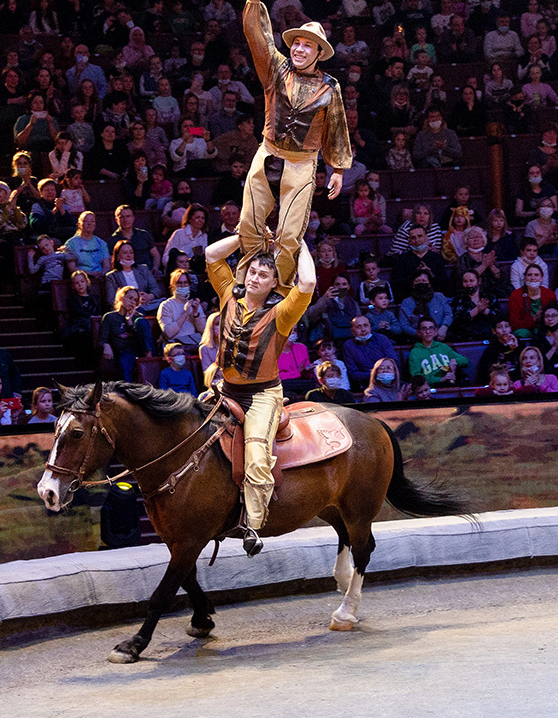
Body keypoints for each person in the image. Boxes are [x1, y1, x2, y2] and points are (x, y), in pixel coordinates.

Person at [238, 0, 351, 294]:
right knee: (249, 224)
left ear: (319, 53)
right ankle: (248, 280)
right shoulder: (275, 66)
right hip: (268, 153)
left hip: (302, 164)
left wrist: (338, 169)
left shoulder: (331, 88)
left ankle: (277, 286)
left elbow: (337, 129)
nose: (300, 49)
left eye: (308, 46)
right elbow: (256, 34)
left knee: (288, 235)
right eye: (297, 43)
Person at [204, 232, 316, 555]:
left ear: (272, 284)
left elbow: (307, 283)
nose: (254, 278)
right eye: (252, 272)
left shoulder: (282, 314)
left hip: (262, 397)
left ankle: (252, 525)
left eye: (263, 275)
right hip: (225, 390)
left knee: (256, 456)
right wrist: (246, 236)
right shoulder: (228, 295)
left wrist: (298, 242)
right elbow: (212, 253)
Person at [100, 286, 156, 382]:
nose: (132, 302)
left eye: (135, 300)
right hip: (122, 352)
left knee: (141, 321)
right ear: (121, 298)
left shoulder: (138, 317)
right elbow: (102, 338)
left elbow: (138, 339)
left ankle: (149, 357)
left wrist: (130, 322)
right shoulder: (110, 317)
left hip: (138, 349)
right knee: (125, 361)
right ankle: (128, 391)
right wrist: (106, 344)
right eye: (130, 298)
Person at [342, 315, 397, 391]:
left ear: (370, 327)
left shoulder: (382, 339)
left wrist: (383, 372)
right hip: (367, 385)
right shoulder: (348, 345)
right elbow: (353, 373)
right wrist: (374, 374)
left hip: (389, 380)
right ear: (352, 330)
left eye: (366, 325)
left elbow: (394, 362)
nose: (363, 329)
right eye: (359, 327)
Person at [408, 317, 468, 387]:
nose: (428, 331)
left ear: (435, 331)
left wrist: (455, 361)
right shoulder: (415, 352)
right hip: (431, 387)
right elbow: (416, 377)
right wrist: (440, 379)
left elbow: (465, 361)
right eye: (424, 329)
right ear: (419, 333)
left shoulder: (443, 347)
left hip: (450, 383)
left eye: (431, 328)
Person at [157, 269, 206, 346]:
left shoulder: (194, 304)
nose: (183, 286)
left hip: (194, 343)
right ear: (172, 285)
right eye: (179, 283)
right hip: (174, 345)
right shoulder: (166, 305)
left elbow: (203, 330)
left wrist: (196, 314)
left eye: (185, 283)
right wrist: (185, 313)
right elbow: (169, 333)